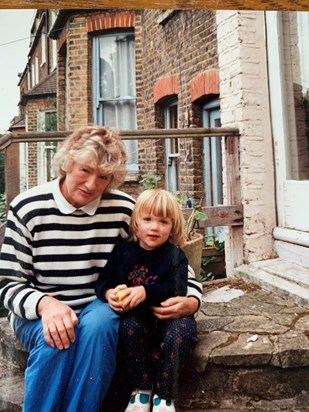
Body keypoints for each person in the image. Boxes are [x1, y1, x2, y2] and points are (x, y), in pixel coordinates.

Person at [0, 125, 202, 412]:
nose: (93, 184)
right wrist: (45, 305)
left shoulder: (121, 209)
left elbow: (167, 260)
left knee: (99, 327)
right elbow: (9, 282)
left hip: (99, 304)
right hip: (40, 309)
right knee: (55, 338)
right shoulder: (28, 208)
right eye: (85, 170)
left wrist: (191, 300)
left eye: (104, 177)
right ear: (67, 163)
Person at [96, 189, 200, 412]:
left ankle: (164, 394)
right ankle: (141, 390)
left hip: (170, 319)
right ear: (135, 224)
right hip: (138, 320)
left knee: (184, 333)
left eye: (163, 221)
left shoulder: (175, 255)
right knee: (126, 329)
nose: (154, 227)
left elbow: (178, 287)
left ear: (173, 226)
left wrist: (145, 291)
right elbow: (104, 280)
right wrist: (110, 293)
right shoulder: (123, 252)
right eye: (148, 219)